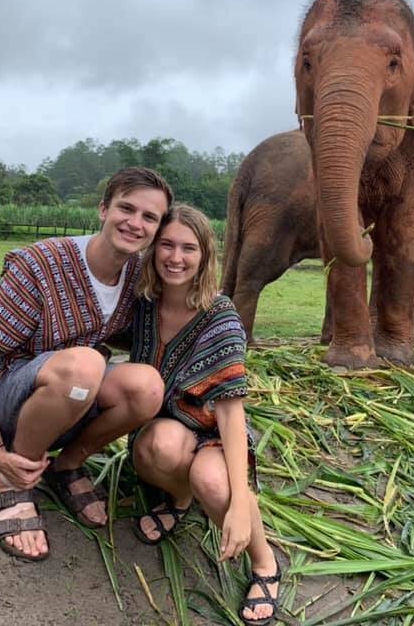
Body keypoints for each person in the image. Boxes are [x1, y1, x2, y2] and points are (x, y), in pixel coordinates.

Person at [0, 167, 172, 561]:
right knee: (85, 366)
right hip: (9, 400)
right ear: (103, 209)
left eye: (149, 217)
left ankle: (66, 466)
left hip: (69, 400)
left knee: (147, 387)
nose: (135, 223)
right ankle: (10, 481)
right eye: (126, 208)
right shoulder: (42, 264)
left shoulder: (136, 277)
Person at [121, 204, 280, 626]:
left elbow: (231, 413)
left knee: (213, 482)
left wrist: (241, 506)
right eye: (167, 245)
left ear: (205, 255)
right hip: (168, 424)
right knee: (156, 447)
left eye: (188, 248)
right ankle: (179, 498)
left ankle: (265, 563)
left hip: (212, 428)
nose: (176, 257)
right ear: (153, 250)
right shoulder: (143, 306)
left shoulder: (220, 315)